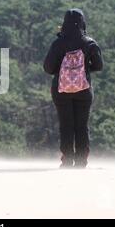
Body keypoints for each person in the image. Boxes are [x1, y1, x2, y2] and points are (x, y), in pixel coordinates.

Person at [43, 9, 103, 168]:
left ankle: (67, 160)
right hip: (84, 90)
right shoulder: (90, 43)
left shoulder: (58, 43)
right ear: (82, 22)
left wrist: (61, 70)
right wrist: (83, 69)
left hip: (61, 90)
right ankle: (82, 161)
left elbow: (48, 68)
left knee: (66, 124)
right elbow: (99, 66)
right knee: (82, 125)